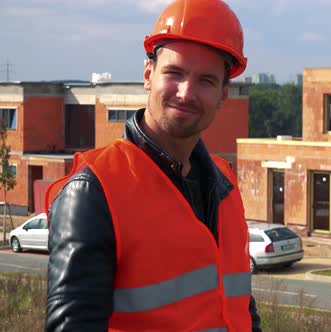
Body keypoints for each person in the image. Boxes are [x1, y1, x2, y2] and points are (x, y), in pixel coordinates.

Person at [44, 0, 262, 331]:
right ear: (148, 75)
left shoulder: (223, 183)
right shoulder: (94, 190)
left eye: (205, 80)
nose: (186, 93)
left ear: (223, 94)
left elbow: (240, 307)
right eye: (174, 73)